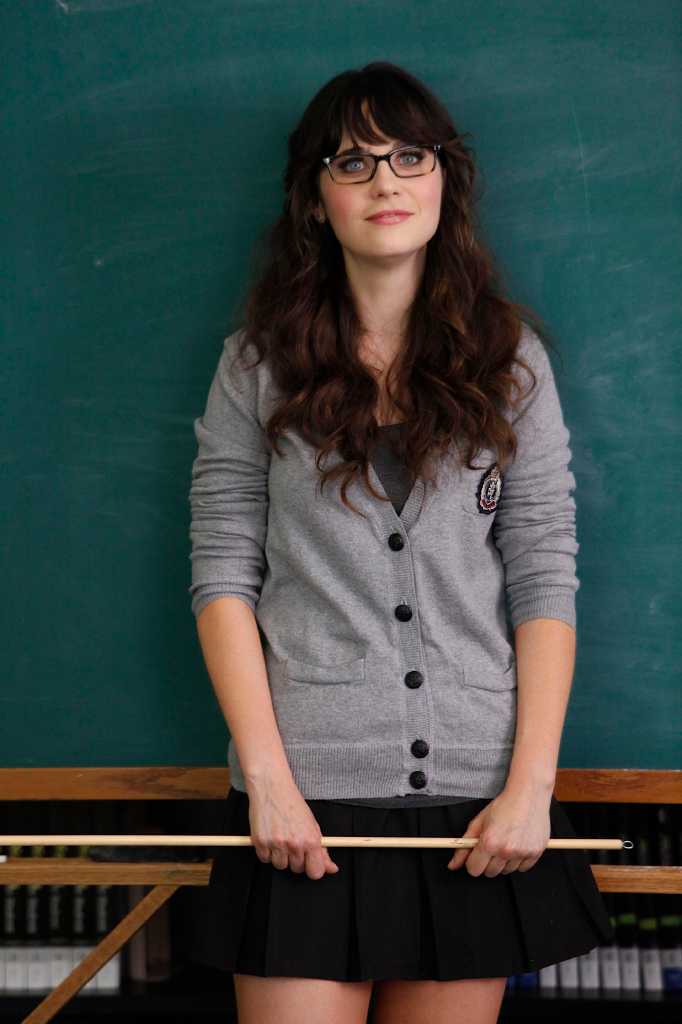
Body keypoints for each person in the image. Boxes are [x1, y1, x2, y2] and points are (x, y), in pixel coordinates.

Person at [188, 61, 614, 1024]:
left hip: (475, 808)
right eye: (353, 161)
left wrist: (530, 788)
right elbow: (222, 572)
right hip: (302, 806)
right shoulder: (255, 367)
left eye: (409, 156)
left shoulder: (511, 364)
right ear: (315, 198)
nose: (385, 182)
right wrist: (268, 784)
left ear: (444, 179)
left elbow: (543, 574)